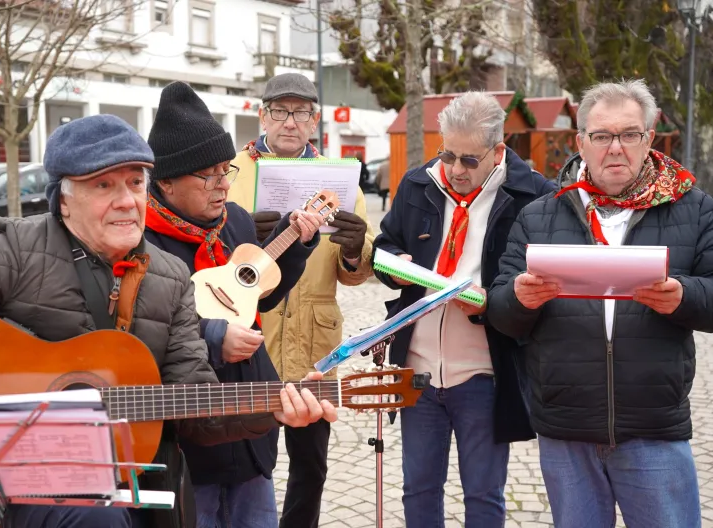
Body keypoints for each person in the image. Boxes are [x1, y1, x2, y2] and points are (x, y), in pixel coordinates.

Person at [0, 114, 337, 528]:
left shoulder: (169, 278)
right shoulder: (16, 250)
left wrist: (277, 408)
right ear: (65, 199)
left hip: (138, 486)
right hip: (25, 487)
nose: (127, 200)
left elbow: (197, 406)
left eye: (135, 183)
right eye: (103, 185)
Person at [487, 79, 709, 527]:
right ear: (581, 143)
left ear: (648, 139)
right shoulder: (540, 215)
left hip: (653, 425)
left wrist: (684, 296)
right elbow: (499, 310)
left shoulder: (694, 208)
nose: (616, 148)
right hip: (566, 424)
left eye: (629, 135)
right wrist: (519, 300)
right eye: (602, 136)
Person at [142, 81, 323, 528]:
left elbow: (257, 295)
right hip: (189, 444)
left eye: (227, 170)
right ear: (165, 181)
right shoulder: (140, 241)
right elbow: (145, 331)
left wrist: (296, 246)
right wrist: (214, 336)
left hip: (250, 433)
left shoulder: (235, 221)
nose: (224, 185)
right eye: (210, 175)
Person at [373, 91, 556, 528]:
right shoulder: (417, 183)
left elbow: (543, 283)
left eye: (470, 160)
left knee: (483, 494)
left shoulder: (534, 196)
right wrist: (395, 268)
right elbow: (386, 243)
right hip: (416, 366)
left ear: (498, 150)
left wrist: (489, 300)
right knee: (417, 488)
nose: (455, 170)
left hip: (484, 371)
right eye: (448, 154)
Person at [226, 72, 375, 528]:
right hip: (253, 339)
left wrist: (355, 249)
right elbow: (210, 254)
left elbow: (357, 273)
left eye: (301, 112)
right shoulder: (230, 172)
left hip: (316, 343)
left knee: (311, 465)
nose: (290, 121)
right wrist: (242, 235)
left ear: (315, 120)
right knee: (251, 461)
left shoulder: (340, 179)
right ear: (262, 114)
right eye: (280, 110)